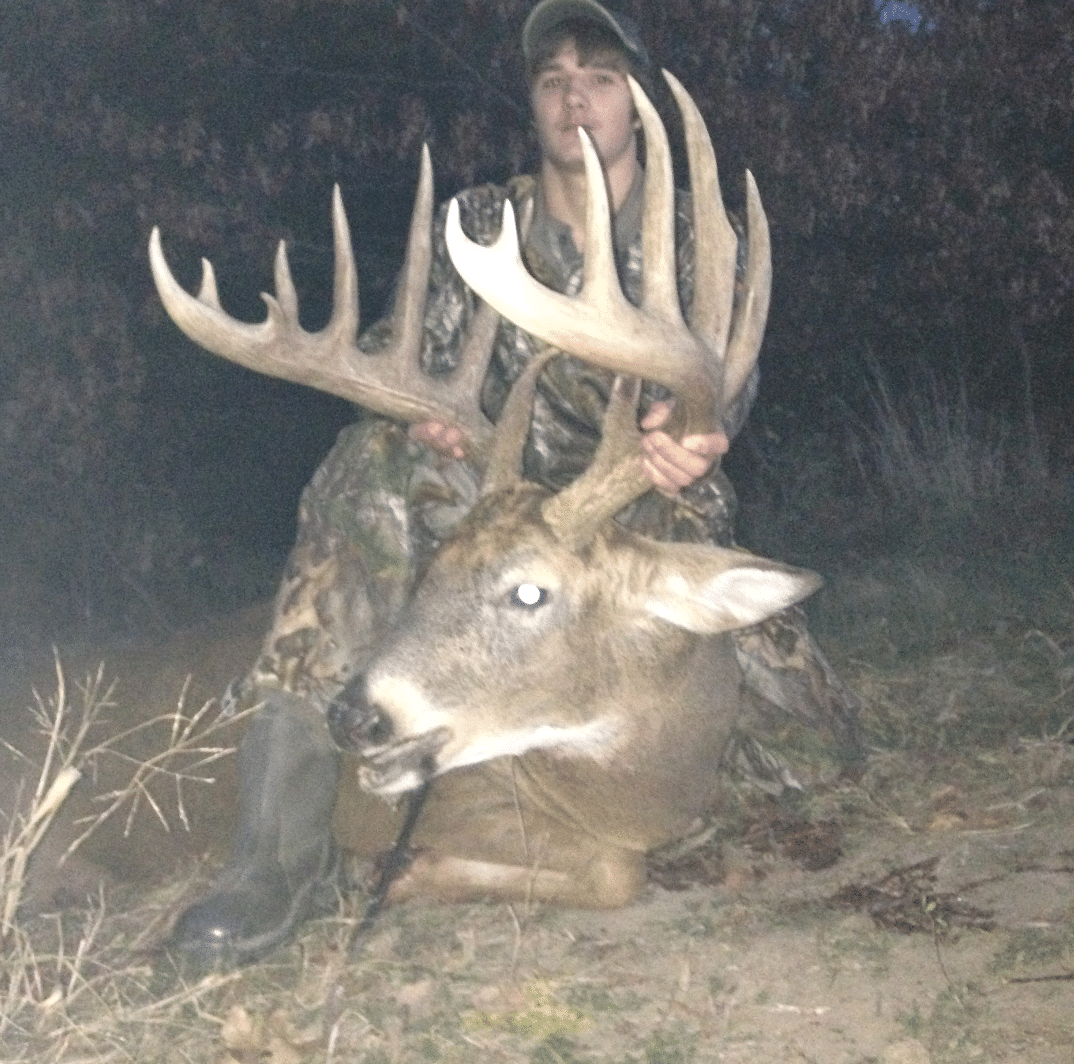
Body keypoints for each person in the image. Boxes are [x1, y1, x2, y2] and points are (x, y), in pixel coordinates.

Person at [166, 0, 862, 971]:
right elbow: (402, 361)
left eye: (601, 77)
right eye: (552, 78)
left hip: (628, 499)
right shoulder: (484, 225)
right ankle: (279, 836)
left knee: (810, 743)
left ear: (636, 98)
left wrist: (695, 437)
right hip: (492, 499)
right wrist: (420, 412)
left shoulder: (695, 240)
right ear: (534, 100)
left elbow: (724, 382)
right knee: (368, 467)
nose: (575, 96)